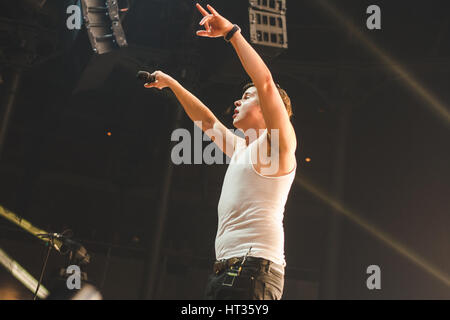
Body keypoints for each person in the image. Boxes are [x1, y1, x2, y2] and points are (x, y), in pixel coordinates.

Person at [144, 3, 297, 300]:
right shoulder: (243, 148)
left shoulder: (279, 146)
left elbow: (265, 83)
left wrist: (231, 33)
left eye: (247, 96)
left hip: (255, 271)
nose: (237, 102)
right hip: (226, 271)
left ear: (269, 110)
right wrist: (172, 84)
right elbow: (207, 121)